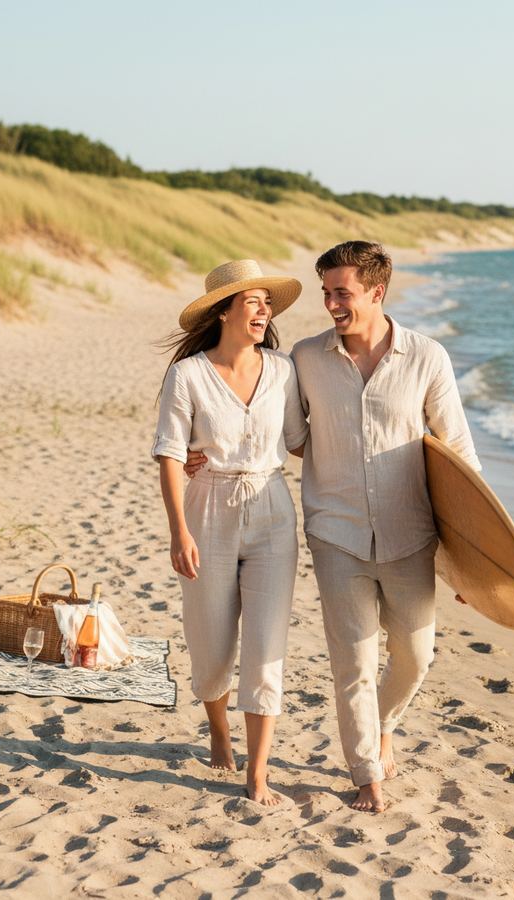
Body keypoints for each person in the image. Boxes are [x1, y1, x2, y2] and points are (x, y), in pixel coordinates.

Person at [291, 241, 479, 813]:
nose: (331, 304)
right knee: (353, 662)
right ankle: (365, 773)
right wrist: (203, 453)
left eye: (341, 292)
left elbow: (459, 453)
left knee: (416, 657)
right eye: (326, 292)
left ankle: (386, 723)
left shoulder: (428, 358)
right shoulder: (305, 358)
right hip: (335, 531)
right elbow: (285, 434)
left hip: (410, 534)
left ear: (376, 292)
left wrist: (476, 561)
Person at [152, 259, 307, 806]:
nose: (265, 311)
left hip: (272, 510)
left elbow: (299, 440)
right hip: (207, 508)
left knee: (267, 647)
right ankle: (219, 731)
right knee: (211, 647)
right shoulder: (188, 375)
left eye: (268, 302)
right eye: (254, 302)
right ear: (224, 310)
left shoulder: (284, 370)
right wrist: (179, 532)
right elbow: (171, 455)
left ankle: (258, 773)